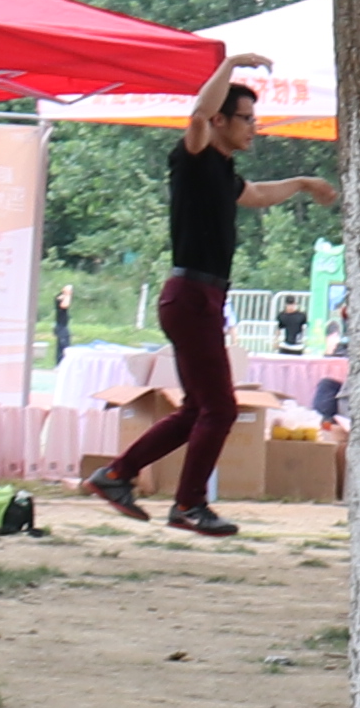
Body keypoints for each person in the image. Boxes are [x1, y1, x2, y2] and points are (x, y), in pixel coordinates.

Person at [95, 73, 324, 542]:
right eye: (246, 119)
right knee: (218, 409)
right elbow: (197, 114)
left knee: (197, 408)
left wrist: (301, 183)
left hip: (200, 299)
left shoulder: (222, 171)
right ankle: (189, 504)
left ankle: (117, 477)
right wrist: (234, 63)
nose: (253, 128)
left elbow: (257, 195)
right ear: (220, 119)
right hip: (191, 296)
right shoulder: (193, 157)